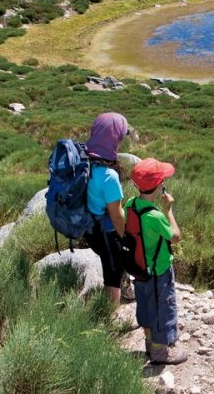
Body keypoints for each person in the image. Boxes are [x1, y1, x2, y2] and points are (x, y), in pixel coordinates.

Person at [125, 158, 188, 365]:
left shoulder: (131, 204)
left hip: (139, 269)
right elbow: (175, 236)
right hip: (158, 271)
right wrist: (168, 209)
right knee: (163, 308)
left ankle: (150, 344)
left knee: (145, 306)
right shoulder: (156, 215)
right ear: (160, 185)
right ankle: (160, 353)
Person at [83, 112, 129, 304]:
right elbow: (117, 216)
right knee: (113, 272)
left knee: (111, 264)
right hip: (106, 232)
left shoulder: (84, 159)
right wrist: (127, 238)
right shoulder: (109, 175)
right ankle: (109, 318)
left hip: (89, 227)